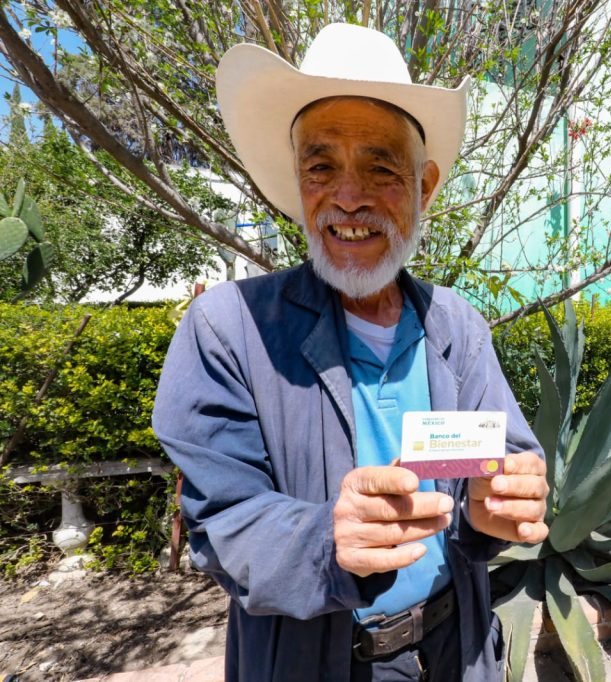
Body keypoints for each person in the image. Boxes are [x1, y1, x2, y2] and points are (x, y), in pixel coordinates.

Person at [152, 22, 548, 682]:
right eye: (321, 166)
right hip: (312, 662)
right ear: (299, 185)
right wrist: (326, 541)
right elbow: (221, 521)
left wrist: (506, 501)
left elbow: (506, 455)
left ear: (426, 187)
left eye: (380, 167)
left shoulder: (458, 326)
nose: (348, 195)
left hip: (458, 650)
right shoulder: (230, 327)